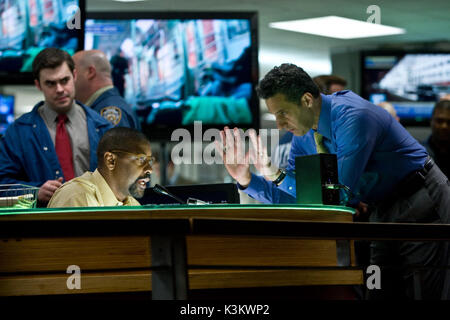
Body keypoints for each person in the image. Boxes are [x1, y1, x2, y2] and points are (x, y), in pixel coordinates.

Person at [216, 63, 450, 300]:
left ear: (307, 100)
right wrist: (248, 180)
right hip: (381, 207)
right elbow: (304, 200)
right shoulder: (304, 136)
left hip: (421, 197)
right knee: (378, 290)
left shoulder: (353, 117)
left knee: (421, 292)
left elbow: (335, 197)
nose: (279, 125)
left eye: (282, 113)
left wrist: (276, 175)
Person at [0, 48, 112, 205]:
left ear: (74, 76)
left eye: (64, 80)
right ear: (38, 85)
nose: (59, 89)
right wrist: (35, 191)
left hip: (94, 221)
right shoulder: (18, 132)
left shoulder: (101, 127)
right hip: (43, 224)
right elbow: (2, 183)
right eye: (50, 83)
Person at [48, 127, 153, 207]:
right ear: (110, 160)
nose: (150, 169)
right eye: (141, 159)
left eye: (150, 161)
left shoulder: (132, 204)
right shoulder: (77, 197)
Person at [73, 50, 140, 129]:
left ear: (90, 72)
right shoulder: (104, 106)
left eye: (73, 73)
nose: (69, 80)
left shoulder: (109, 112)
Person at [421, 100, 450, 178]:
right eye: (440, 121)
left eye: (449, 122)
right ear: (431, 121)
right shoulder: (419, 154)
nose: (444, 126)